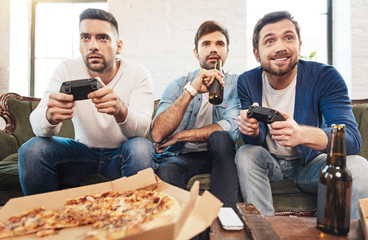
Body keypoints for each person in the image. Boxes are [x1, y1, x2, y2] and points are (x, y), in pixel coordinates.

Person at [236, 11, 368, 218]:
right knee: (246, 153)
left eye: (288, 38)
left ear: (299, 45)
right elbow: (255, 138)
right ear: (256, 54)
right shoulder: (247, 81)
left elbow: (351, 138)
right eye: (270, 41)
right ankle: (264, 231)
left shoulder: (325, 77)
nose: (281, 47)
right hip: (269, 163)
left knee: (358, 167)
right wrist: (250, 130)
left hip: (310, 165)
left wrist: (302, 134)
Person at [18, 8, 156, 195]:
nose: (93, 46)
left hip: (122, 155)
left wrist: (121, 110)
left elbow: (142, 130)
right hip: (80, 155)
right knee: (32, 149)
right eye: (85, 38)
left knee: (141, 147)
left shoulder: (138, 73)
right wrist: (50, 116)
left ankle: (138, 220)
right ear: (80, 45)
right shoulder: (67, 69)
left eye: (102, 38)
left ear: (119, 46)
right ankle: (44, 220)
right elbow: (37, 126)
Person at [151, 20, 240, 209]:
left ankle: (223, 223)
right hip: (184, 156)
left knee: (221, 138)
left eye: (220, 44)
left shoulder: (238, 84)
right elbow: (157, 134)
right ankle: (188, 232)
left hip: (220, 155)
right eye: (206, 44)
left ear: (227, 52)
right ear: (196, 52)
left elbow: (230, 128)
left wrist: (179, 136)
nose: (213, 49)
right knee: (166, 169)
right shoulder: (178, 85)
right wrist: (190, 91)